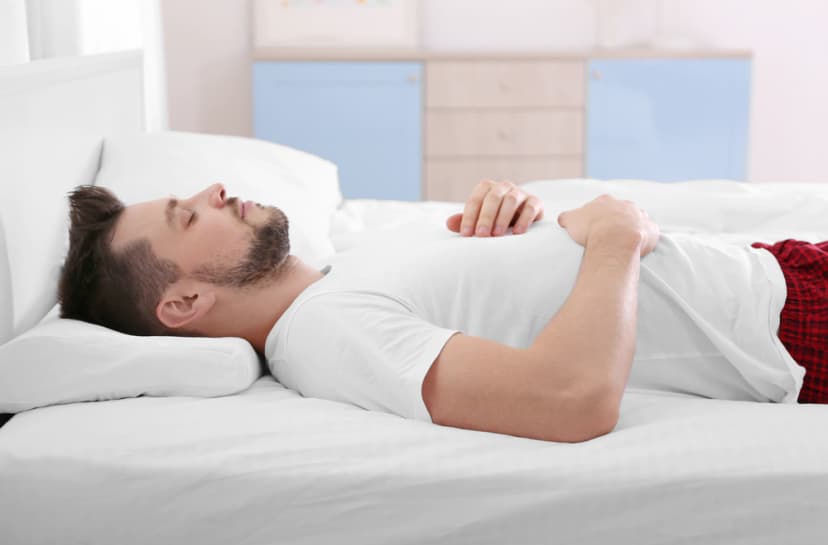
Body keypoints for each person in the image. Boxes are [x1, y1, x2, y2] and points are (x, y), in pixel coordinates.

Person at [58, 180, 823, 443]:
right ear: (184, 302)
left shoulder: (338, 278)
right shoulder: (324, 334)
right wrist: (616, 239)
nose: (215, 190)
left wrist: (525, 216)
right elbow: (570, 400)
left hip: (774, 267)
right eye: (187, 216)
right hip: (786, 325)